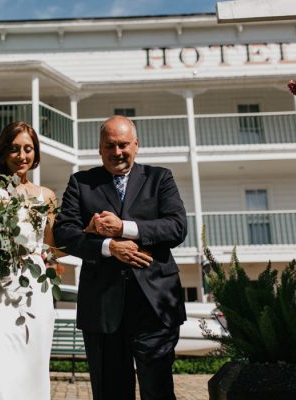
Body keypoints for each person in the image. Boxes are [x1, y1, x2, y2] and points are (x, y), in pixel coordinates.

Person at [53, 115, 187, 400]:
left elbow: (177, 227)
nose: (117, 152)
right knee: (111, 392)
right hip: (103, 309)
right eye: (110, 146)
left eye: (123, 145)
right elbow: (63, 233)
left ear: (136, 145)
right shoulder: (81, 183)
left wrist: (124, 228)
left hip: (155, 306)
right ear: (100, 148)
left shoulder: (160, 178)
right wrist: (108, 246)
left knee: (158, 390)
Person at [0, 121, 57, 400]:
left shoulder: (46, 196)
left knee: (31, 376)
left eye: (28, 149)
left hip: (34, 293)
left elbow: (54, 248)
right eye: (15, 149)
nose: (22, 155)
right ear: (4, 152)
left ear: (36, 153)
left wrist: (88, 235)